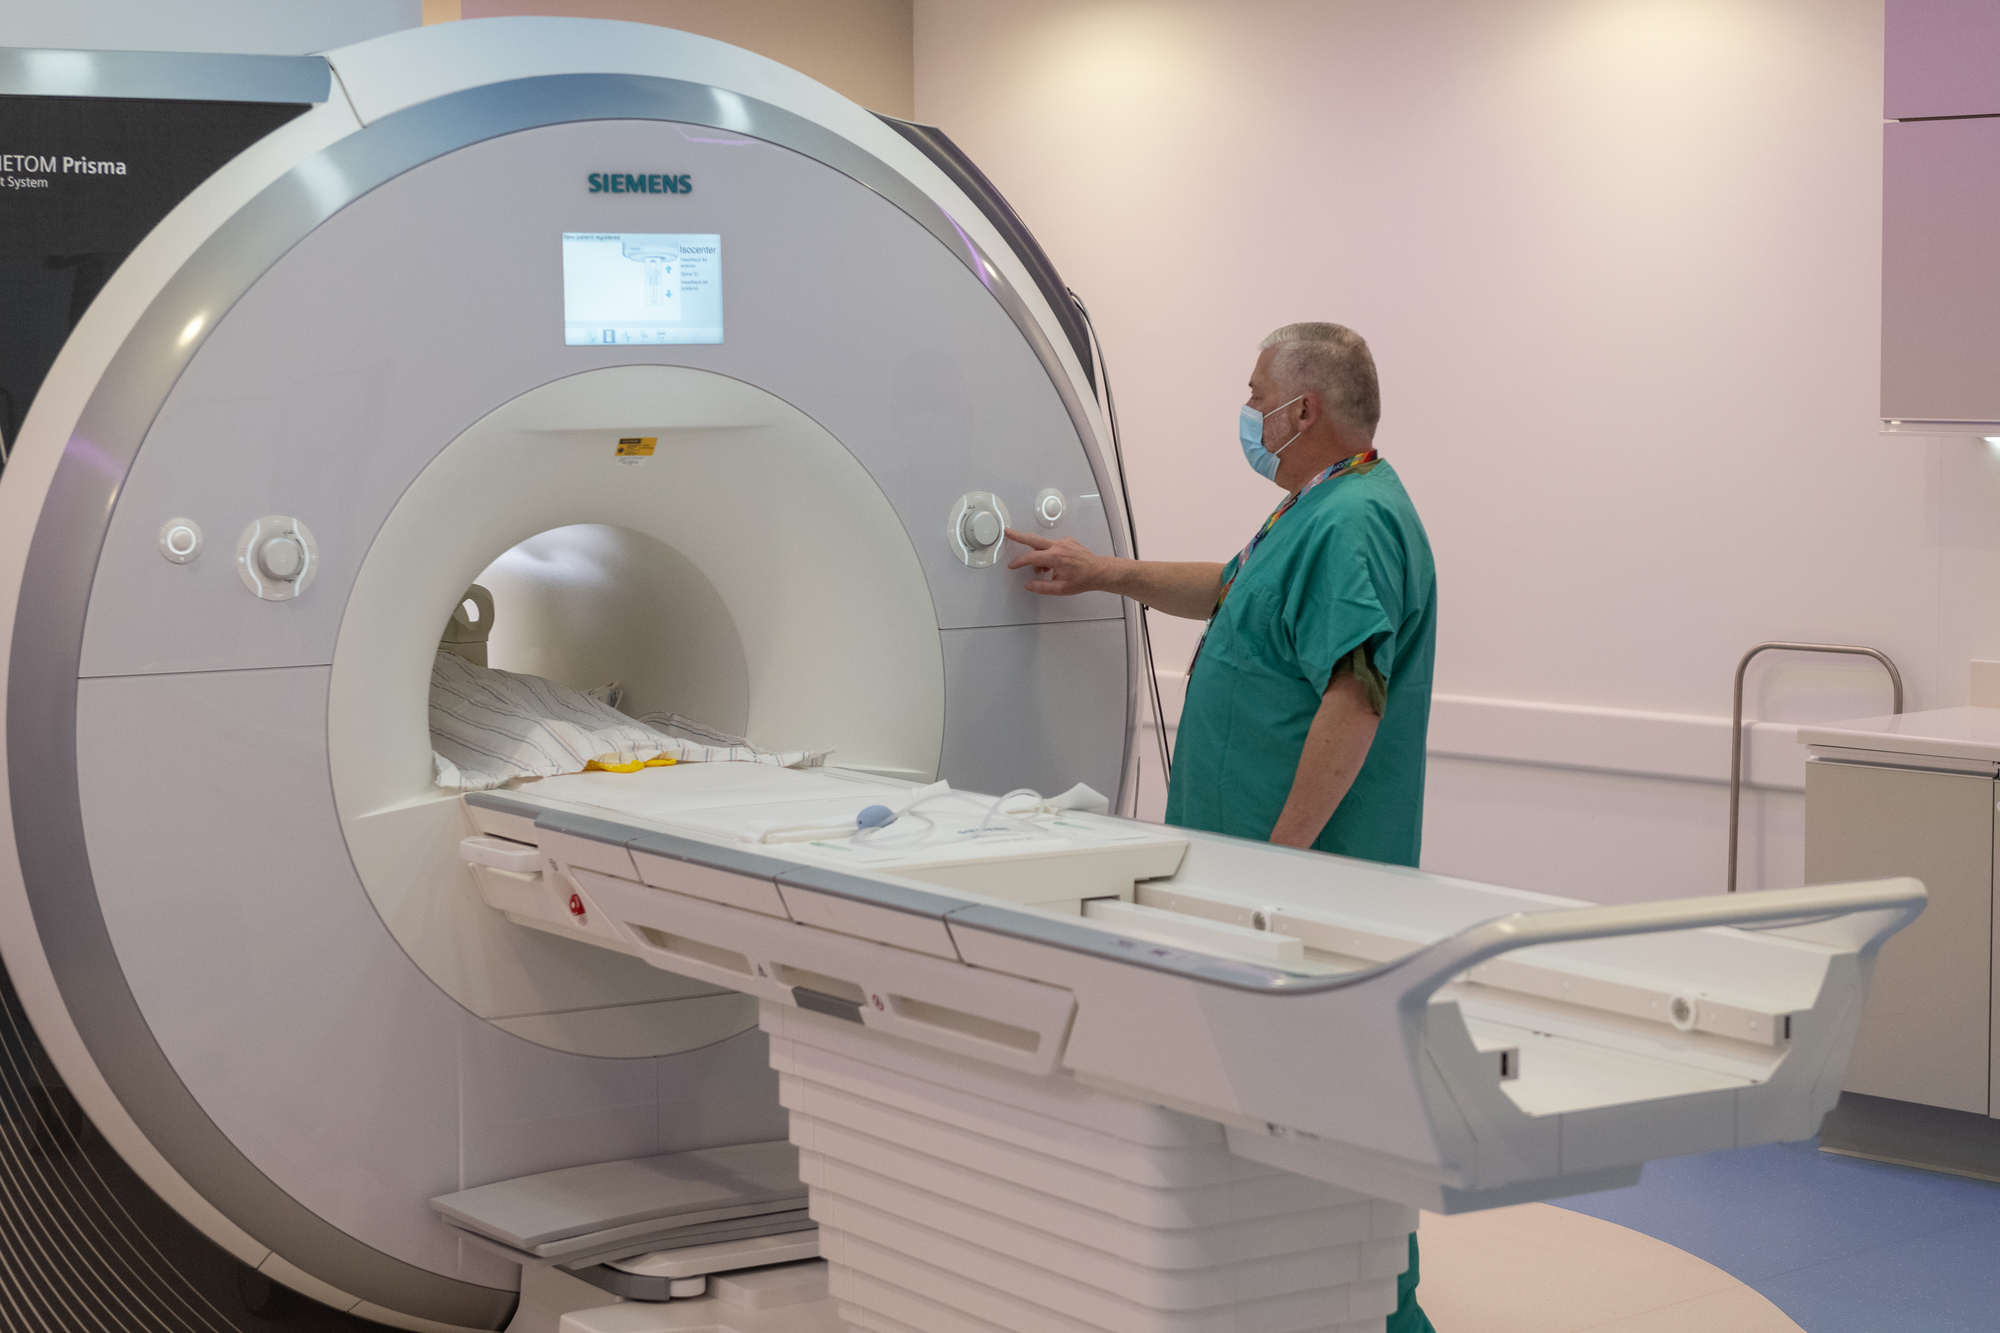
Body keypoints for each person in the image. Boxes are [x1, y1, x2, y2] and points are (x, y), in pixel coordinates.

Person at [1006, 320, 1437, 1333]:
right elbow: (1231, 590)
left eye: (1254, 396)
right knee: (1261, 1097)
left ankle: (1375, 1307)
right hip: (1252, 870)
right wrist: (1103, 571)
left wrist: (1280, 862)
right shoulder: (1316, 506)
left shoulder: (1354, 522)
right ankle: (1278, 1292)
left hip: (1303, 881)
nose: (1246, 414)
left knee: (1333, 1100)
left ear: (1301, 409)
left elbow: (1356, 696)